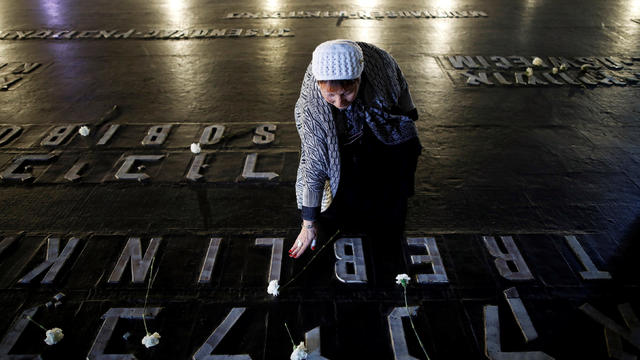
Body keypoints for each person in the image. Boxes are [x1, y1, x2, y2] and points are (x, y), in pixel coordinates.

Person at [289, 39, 421, 259]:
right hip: (336, 133)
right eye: (331, 95)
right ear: (319, 84)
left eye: (347, 92)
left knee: (406, 145)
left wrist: (408, 112)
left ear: (359, 78)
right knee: (338, 173)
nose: (339, 102)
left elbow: (401, 84)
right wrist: (309, 223)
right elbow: (314, 167)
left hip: (373, 113)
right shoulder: (312, 107)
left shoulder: (381, 64)